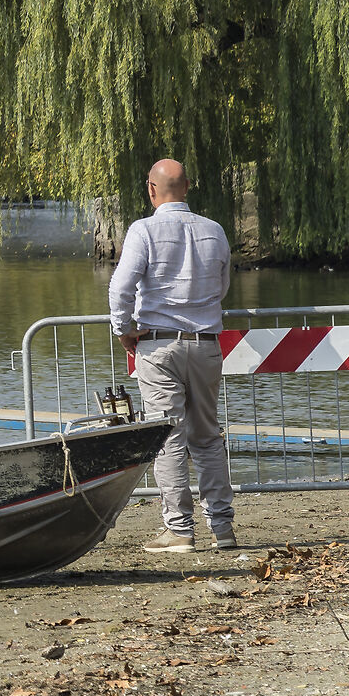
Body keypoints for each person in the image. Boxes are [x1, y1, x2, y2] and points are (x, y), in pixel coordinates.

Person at [109, 157, 235, 552]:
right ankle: (223, 529)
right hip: (206, 345)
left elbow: (120, 289)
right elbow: (223, 285)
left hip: (159, 346)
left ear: (151, 189)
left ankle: (179, 529)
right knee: (208, 437)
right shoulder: (214, 231)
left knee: (169, 438)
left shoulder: (143, 230)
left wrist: (124, 331)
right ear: (189, 186)